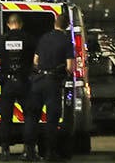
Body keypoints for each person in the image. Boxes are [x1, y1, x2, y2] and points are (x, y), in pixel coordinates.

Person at [23, 12, 74, 162]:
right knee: (52, 119)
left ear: (54, 24)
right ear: (67, 26)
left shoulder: (44, 38)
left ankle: (29, 152)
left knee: (32, 117)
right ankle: (50, 153)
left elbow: (35, 60)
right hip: (53, 82)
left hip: (38, 81)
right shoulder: (66, 41)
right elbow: (70, 67)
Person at [0, 14, 36, 161]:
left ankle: (5, 150)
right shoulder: (29, 39)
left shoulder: (2, 39)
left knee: (6, 118)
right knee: (29, 116)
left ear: (8, 24)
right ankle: (29, 149)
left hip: (7, 83)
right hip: (24, 82)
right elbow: (35, 60)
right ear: (21, 24)